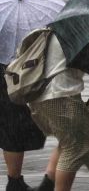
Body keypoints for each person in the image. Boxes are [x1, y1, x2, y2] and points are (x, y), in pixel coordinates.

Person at [29, 33, 89, 191]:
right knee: (75, 146)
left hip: (41, 92)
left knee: (67, 140)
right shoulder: (76, 36)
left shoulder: (55, 31)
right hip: (59, 94)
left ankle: (47, 185)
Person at [0, 63, 46, 191]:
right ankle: (14, 183)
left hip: (8, 70)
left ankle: (15, 182)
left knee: (15, 125)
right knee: (16, 124)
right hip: (5, 71)